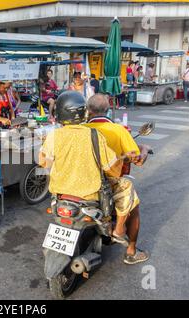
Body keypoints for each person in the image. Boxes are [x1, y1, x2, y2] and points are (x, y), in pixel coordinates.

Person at [40, 91, 149, 265]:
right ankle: (124, 238)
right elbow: (111, 169)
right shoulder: (94, 135)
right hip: (90, 195)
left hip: (59, 194)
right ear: (83, 112)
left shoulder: (54, 135)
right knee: (127, 186)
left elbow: (44, 162)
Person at [84, 93, 151, 264]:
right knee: (133, 208)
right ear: (107, 111)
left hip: (80, 182)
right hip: (107, 185)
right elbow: (138, 160)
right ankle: (131, 251)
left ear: (88, 110)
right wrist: (143, 149)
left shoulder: (79, 129)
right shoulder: (118, 130)